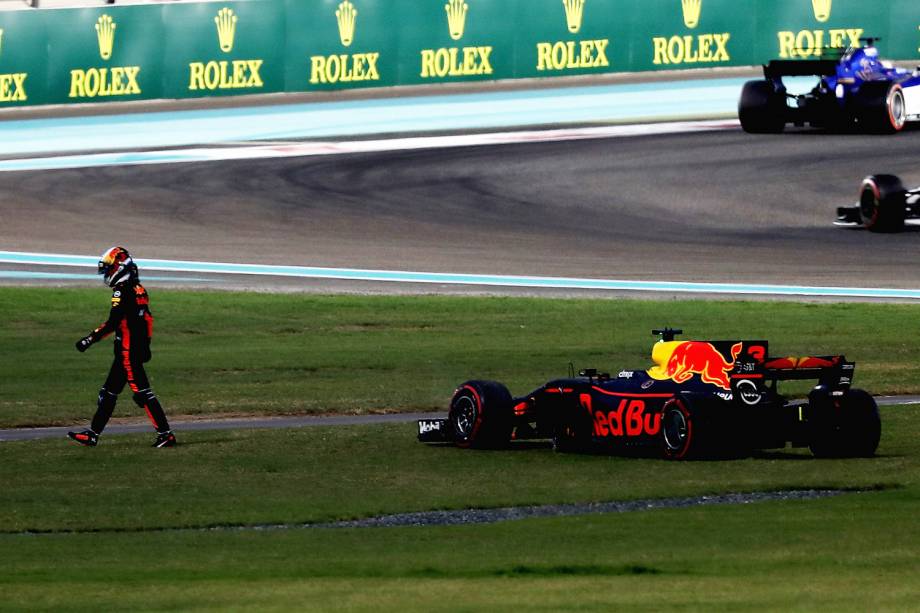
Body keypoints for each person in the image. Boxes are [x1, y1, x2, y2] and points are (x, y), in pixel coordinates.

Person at [68, 246, 177, 448]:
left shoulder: (122, 290)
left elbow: (113, 323)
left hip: (127, 352)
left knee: (143, 393)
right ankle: (93, 434)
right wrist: (146, 345)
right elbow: (148, 319)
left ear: (119, 267)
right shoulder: (139, 289)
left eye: (109, 268)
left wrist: (89, 339)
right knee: (108, 392)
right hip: (130, 351)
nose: (106, 273)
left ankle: (166, 435)